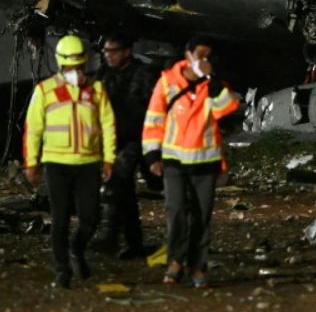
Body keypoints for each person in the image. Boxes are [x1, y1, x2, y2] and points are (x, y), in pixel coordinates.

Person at [142, 35, 239, 289]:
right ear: (188, 55)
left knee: (201, 217)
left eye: (208, 56)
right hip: (174, 160)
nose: (204, 60)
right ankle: (175, 261)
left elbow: (228, 107)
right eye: (200, 55)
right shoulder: (167, 82)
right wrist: (152, 155)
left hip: (205, 161)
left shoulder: (212, 86)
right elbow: (153, 119)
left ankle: (198, 267)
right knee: (175, 212)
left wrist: (212, 80)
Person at [24, 35, 116, 288]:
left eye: (78, 65)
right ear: (61, 64)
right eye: (70, 66)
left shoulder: (96, 90)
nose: (75, 71)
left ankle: (76, 249)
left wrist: (108, 160)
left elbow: (108, 126)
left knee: (90, 218)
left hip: (88, 162)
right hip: (56, 163)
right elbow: (33, 128)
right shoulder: (44, 91)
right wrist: (31, 162)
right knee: (60, 219)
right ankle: (61, 272)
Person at [92, 33, 159, 260]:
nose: (109, 56)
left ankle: (112, 237)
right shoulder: (104, 75)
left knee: (123, 183)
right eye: (106, 52)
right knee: (121, 191)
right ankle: (130, 243)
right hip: (116, 140)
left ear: (127, 52)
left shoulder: (144, 74)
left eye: (114, 51)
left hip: (142, 139)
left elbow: (157, 108)